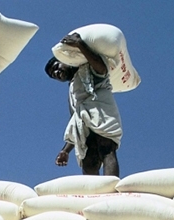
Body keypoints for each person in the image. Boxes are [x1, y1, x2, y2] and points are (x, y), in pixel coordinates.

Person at [45, 32, 122, 177]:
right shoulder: (73, 90)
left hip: (101, 115)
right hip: (85, 126)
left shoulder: (86, 69)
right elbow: (76, 121)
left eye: (56, 67)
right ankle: (93, 195)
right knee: (89, 162)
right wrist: (65, 150)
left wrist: (80, 44)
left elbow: (102, 69)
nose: (56, 72)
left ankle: (111, 191)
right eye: (52, 74)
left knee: (105, 149)